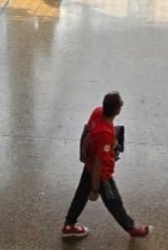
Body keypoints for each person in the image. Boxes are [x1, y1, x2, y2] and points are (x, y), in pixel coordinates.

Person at [62, 92, 151, 239]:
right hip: (102, 174)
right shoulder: (105, 135)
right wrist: (96, 189)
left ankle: (69, 225)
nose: (122, 103)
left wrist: (112, 143)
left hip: (88, 165)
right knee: (114, 201)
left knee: (80, 196)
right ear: (117, 110)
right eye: (120, 103)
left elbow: (92, 135)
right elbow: (99, 164)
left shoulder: (97, 112)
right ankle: (132, 228)